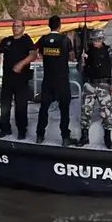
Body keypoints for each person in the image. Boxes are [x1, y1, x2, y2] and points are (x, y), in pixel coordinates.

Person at [35, 15, 77, 146]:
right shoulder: (65, 40)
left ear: (49, 25)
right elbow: (71, 56)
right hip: (62, 80)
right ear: (59, 26)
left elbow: (39, 54)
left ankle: (40, 135)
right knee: (64, 110)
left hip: (48, 79)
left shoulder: (43, 39)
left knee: (44, 108)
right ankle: (65, 137)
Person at [77, 28, 112, 149]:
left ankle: (107, 138)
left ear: (102, 40)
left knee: (106, 113)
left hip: (104, 85)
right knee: (86, 111)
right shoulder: (87, 51)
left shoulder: (108, 51)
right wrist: (82, 60)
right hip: (90, 85)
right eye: (93, 40)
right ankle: (84, 136)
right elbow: (80, 70)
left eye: (96, 40)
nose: (94, 43)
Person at [0, 18, 36, 140]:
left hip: (21, 79)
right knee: (5, 105)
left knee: (21, 106)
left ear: (23, 28)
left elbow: (33, 55)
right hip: (7, 78)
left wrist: (21, 64)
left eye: (18, 26)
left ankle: (22, 131)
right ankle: (4, 129)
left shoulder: (26, 40)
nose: (15, 28)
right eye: (14, 26)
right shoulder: (6, 40)